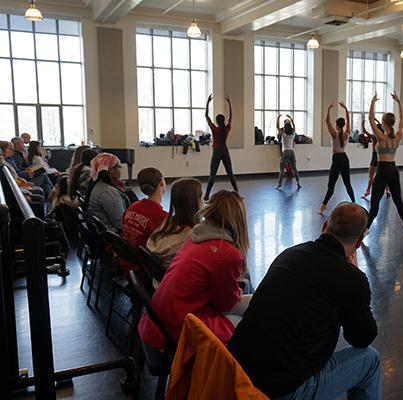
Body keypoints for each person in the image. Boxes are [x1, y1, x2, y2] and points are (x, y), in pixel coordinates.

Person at [228, 202, 380, 400]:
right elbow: (362, 338)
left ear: (325, 226)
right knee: (370, 359)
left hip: (236, 372)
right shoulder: (351, 279)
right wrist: (355, 276)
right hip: (280, 390)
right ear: (358, 243)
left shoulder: (290, 254)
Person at [138, 190, 250, 349]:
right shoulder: (227, 254)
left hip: (157, 325)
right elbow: (225, 305)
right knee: (248, 321)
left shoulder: (195, 239)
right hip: (178, 331)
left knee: (252, 302)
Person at [365, 92, 403, 236]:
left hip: (383, 170)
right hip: (394, 170)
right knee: (398, 200)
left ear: (384, 123)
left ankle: (366, 229)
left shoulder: (381, 137)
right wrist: (398, 102)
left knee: (375, 201)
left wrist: (373, 102)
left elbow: (370, 119)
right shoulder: (398, 135)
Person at [147, 178, 204, 269]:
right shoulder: (193, 237)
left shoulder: (166, 224)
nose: (203, 201)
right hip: (178, 279)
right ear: (193, 202)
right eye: (201, 197)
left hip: (160, 278)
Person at [120, 167, 168, 274]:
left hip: (126, 261)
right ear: (161, 182)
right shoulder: (163, 217)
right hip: (143, 270)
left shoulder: (133, 206)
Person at [319, 101, 355, 214]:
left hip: (337, 159)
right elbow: (349, 121)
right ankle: (354, 203)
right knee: (347, 183)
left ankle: (323, 206)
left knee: (331, 185)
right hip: (345, 158)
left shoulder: (334, 134)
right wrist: (346, 109)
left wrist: (329, 109)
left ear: (337, 125)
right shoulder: (346, 133)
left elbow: (326, 121)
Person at [204, 94, 238, 201]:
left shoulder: (215, 129)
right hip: (225, 151)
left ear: (217, 121)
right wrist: (229, 104)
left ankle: (206, 195)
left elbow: (206, 116)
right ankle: (237, 193)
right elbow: (231, 117)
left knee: (212, 175)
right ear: (223, 121)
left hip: (216, 152)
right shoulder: (227, 128)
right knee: (230, 174)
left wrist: (208, 103)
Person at [83, 153, 128, 232]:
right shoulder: (107, 191)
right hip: (112, 236)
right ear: (110, 170)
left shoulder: (97, 184)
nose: (120, 170)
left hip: (103, 232)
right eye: (119, 167)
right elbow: (120, 224)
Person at [275, 114, 301, 189]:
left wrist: (278, 118)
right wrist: (291, 118)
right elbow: (294, 124)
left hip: (285, 152)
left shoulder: (283, 134)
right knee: (294, 168)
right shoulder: (293, 133)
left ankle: (279, 184)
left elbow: (277, 126)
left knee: (282, 169)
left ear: (285, 126)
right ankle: (298, 183)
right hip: (292, 152)